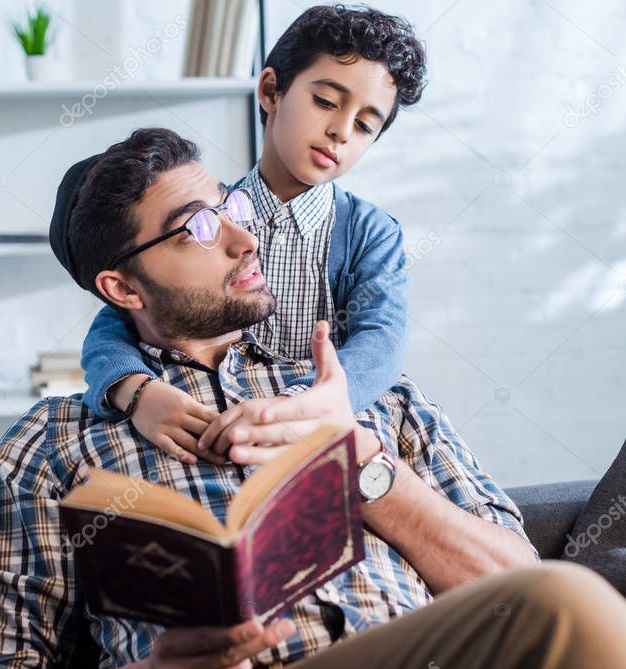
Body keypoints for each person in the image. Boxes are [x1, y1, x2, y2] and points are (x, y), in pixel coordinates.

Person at [0, 128, 626, 669]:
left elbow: (514, 586)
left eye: (230, 208)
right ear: (122, 289)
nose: (245, 238)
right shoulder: (52, 447)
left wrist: (362, 458)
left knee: (557, 600)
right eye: (199, 228)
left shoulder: (364, 395)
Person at [78, 5, 425, 466]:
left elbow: (381, 342)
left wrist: (303, 405)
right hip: (211, 433)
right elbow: (115, 319)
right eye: (326, 101)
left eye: (364, 125)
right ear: (270, 91)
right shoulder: (208, 216)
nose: (341, 131)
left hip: (312, 439)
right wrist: (134, 389)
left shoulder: (370, 235)